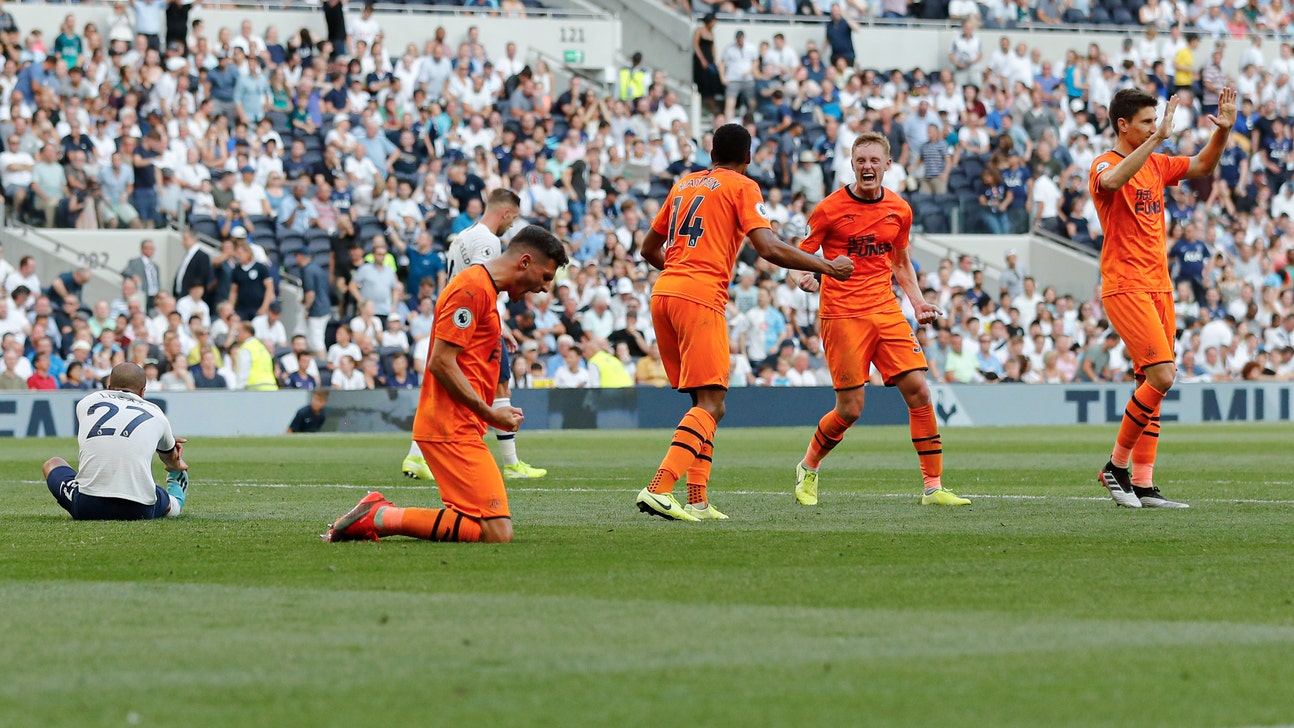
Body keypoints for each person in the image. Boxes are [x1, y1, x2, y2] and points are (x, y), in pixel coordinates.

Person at [635, 123, 854, 522]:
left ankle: (697, 499)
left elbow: (648, 248)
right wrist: (826, 266)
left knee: (704, 403)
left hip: (664, 293)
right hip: (699, 297)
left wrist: (680, 274)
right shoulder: (743, 186)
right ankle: (659, 488)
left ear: (711, 154)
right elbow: (767, 247)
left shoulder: (684, 184)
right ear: (748, 157)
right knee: (713, 403)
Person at [323, 225, 568, 545]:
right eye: (546, 276)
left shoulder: (485, 292)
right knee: (497, 532)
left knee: (483, 527)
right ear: (525, 262)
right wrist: (490, 414)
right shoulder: (471, 289)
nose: (546, 287)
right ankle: (379, 517)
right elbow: (440, 362)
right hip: (449, 427)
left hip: (462, 426)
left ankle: (377, 514)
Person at [792, 132, 970, 508]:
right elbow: (799, 254)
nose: (867, 167)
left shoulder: (899, 209)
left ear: (888, 164)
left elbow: (900, 262)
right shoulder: (829, 209)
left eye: (874, 160)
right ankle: (809, 465)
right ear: (852, 164)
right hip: (842, 315)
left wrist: (917, 302)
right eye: (861, 161)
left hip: (885, 309)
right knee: (850, 409)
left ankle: (933, 487)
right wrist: (803, 276)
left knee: (919, 390)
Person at [1089, 86, 1237, 509]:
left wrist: (1223, 131)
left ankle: (1143, 482)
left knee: (1150, 383)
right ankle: (1115, 467)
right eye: (1147, 122)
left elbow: (1204, 164)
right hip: (1126, 284)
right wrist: (1156, 140)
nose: (1156, 127)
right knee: (1163, 375)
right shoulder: (1104, 162)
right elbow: (1112, 182)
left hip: (1160, 285)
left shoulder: (1156, 163)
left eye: (1156, 121)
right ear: (1123, 125)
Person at [401, 189, 546, 482]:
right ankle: (511, 463)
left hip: (455, 317)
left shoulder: (463, 236)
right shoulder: (488, 241)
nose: (511, 225)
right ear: (505, 212)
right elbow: (486, 282)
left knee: (442, 387)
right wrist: (500, 326)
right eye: (513, 218)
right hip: (477, 321)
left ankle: (416, 455)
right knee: (500, 385)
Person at [42, 362, 189, 520]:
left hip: (88, 505)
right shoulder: (157, 414)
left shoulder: (86, 402)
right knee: (161, 497)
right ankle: (176, 499)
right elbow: (170, 459)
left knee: (52, 463)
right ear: (143, 391)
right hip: (139, 507)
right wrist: (174, 462)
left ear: (108, 386)